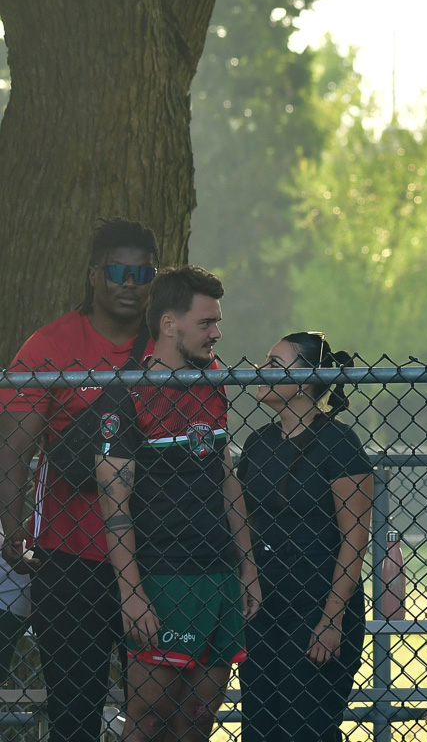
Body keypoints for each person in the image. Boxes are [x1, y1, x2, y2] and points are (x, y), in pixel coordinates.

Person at [0, 217, 157, 742]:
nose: (130, 284)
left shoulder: (168, 344)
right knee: (74, 716)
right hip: (69, 562)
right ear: (95, 275)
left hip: (156, 556)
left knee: (155, 716)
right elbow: (14, 449)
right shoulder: (50, 345)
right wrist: (13, 525)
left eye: (142, 274)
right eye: (118, 271)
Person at [94, 266, 258, 742]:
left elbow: (226, 478)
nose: (217, 332)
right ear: (169, 324)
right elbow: (113, 501)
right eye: (206, 322)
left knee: (198, 721)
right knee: (148, 721)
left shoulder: (212, 379)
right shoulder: (125, 392)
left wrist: (246, 567)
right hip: (161, 576)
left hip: (220, 573)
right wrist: (131, 591)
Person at [238, 332, 375, 742]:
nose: (262, 371)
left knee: (307, 728)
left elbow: (355, 539)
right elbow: (244, 520)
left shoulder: (338, 442)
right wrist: (247, 576)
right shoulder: (258, 441)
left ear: (306, 379)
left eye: (276, 365)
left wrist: (332, 617)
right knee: (260, 727)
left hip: (317, 606)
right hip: (262, 605)